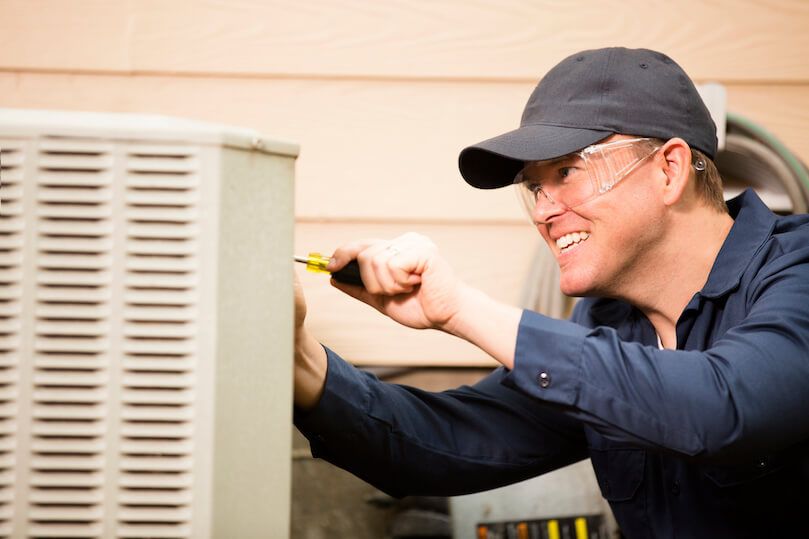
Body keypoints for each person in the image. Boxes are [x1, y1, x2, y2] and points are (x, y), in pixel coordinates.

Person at [292, 47, 809, 537]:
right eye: (536, 187)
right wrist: (295, 357)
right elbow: (442, 445)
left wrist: (461, 309)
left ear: (669, 170)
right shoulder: (607, 326)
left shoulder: (797, 273)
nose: (543, 210)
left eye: (566, 171)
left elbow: (727, 406)